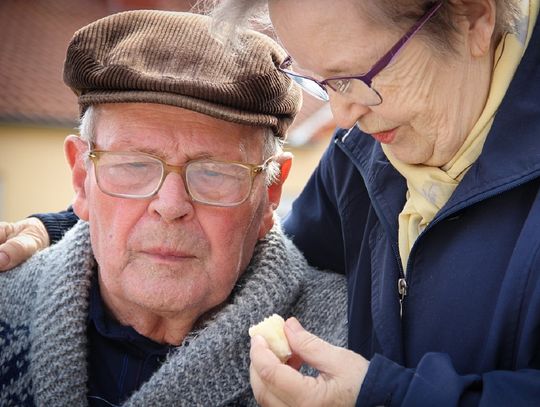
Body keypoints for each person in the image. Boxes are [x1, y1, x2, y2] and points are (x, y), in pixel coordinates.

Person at [3, 0, 540, 405]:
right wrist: (66, 226)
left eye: (360, 76)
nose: (343, 119)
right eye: (322, 82)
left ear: (474, 18)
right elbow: (253, 237)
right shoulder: (364, 156)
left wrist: (388, 397)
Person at [0, 10, 349, 406]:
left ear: (271, 193)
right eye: (134, 164)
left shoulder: (345, 347)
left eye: (214, 173)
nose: (170, 206)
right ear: (82, 178)